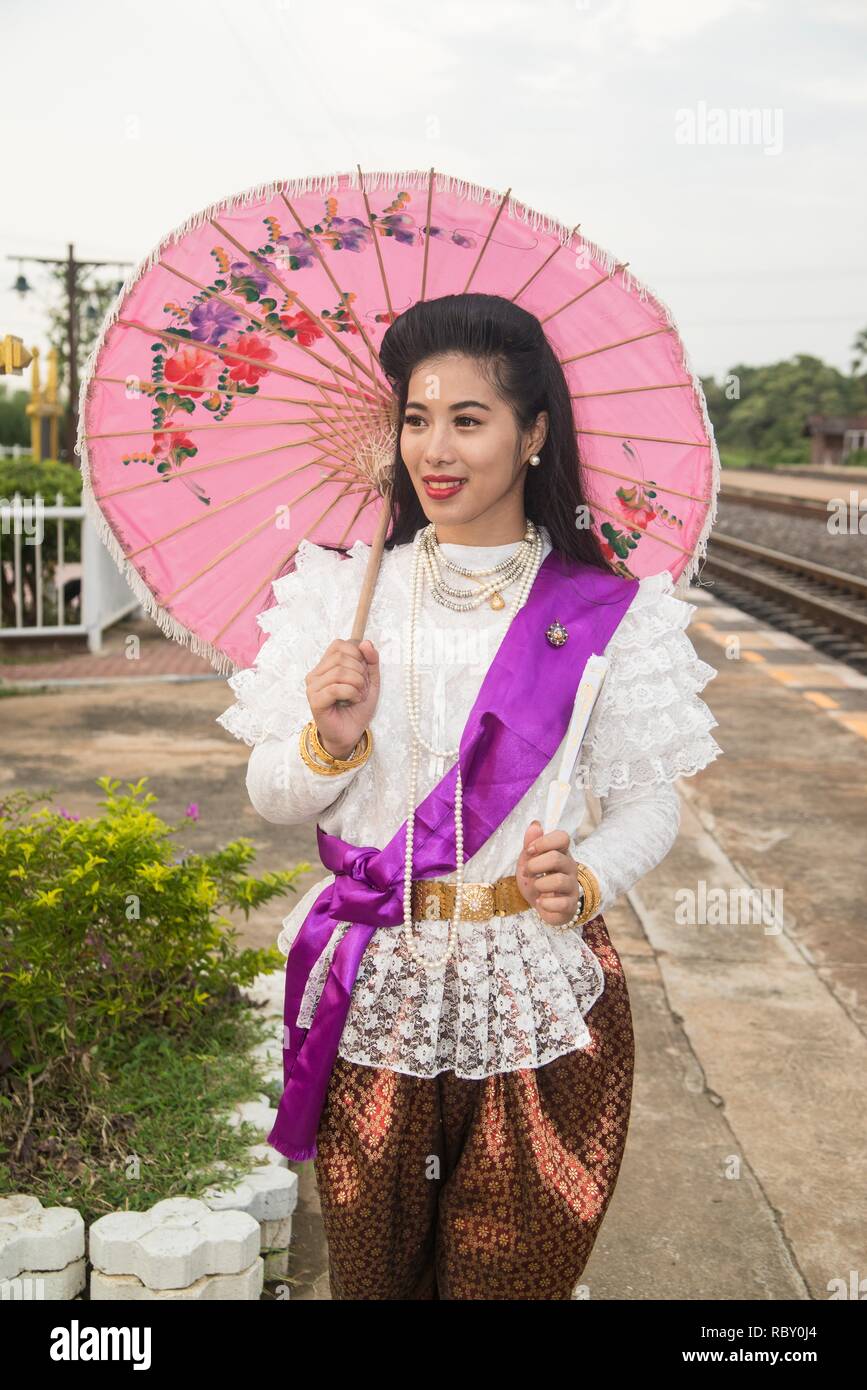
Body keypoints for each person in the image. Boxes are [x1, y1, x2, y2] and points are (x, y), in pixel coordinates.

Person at [216, 292, 723, 1300]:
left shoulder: (607, 614)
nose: (433, 447)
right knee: (373, 1280)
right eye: (415, 416)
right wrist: (330, 739)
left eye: (467, 418)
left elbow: (648, 806)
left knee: (512, 1280)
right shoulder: (342, 593)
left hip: (534, 991)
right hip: (377, 993)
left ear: (534, 432)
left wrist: (583, 878)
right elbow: (273, 795)